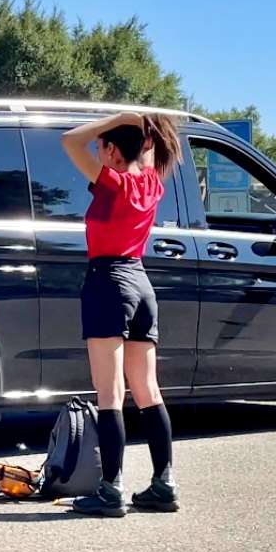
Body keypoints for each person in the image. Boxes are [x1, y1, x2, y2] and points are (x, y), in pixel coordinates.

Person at [60, 111, 183, 517]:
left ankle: (110, 489)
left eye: (102, 146)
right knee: (147, 389)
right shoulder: (150, 183)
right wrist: (140, 127)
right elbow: (146, 151)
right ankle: (163, 483)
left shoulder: (112, 183)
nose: (96, 150)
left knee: (110, 393)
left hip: (107, 282)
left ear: (113, 150)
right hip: (140, 283)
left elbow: (69, 140)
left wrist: (116, 119)